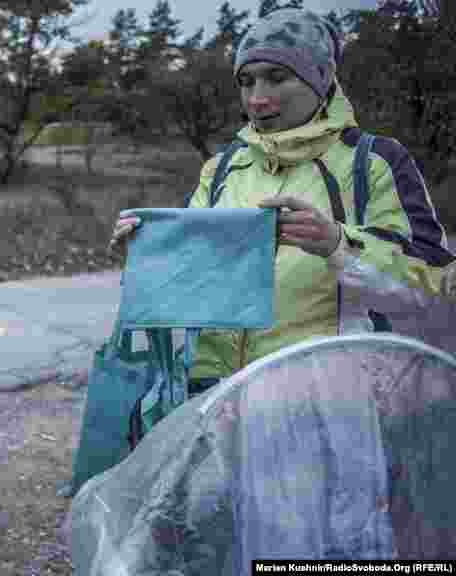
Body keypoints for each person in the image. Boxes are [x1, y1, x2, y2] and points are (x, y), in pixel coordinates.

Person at [109, 8, 456, 391]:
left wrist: (338, 244)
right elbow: (190, 285)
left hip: (327, 403)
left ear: (320, 79)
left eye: (277, 78)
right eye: (246, 81)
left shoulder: (373, 162)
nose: (257, 99)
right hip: (214, 399)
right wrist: (147, 258)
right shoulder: (221, 168)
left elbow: (434, 286)